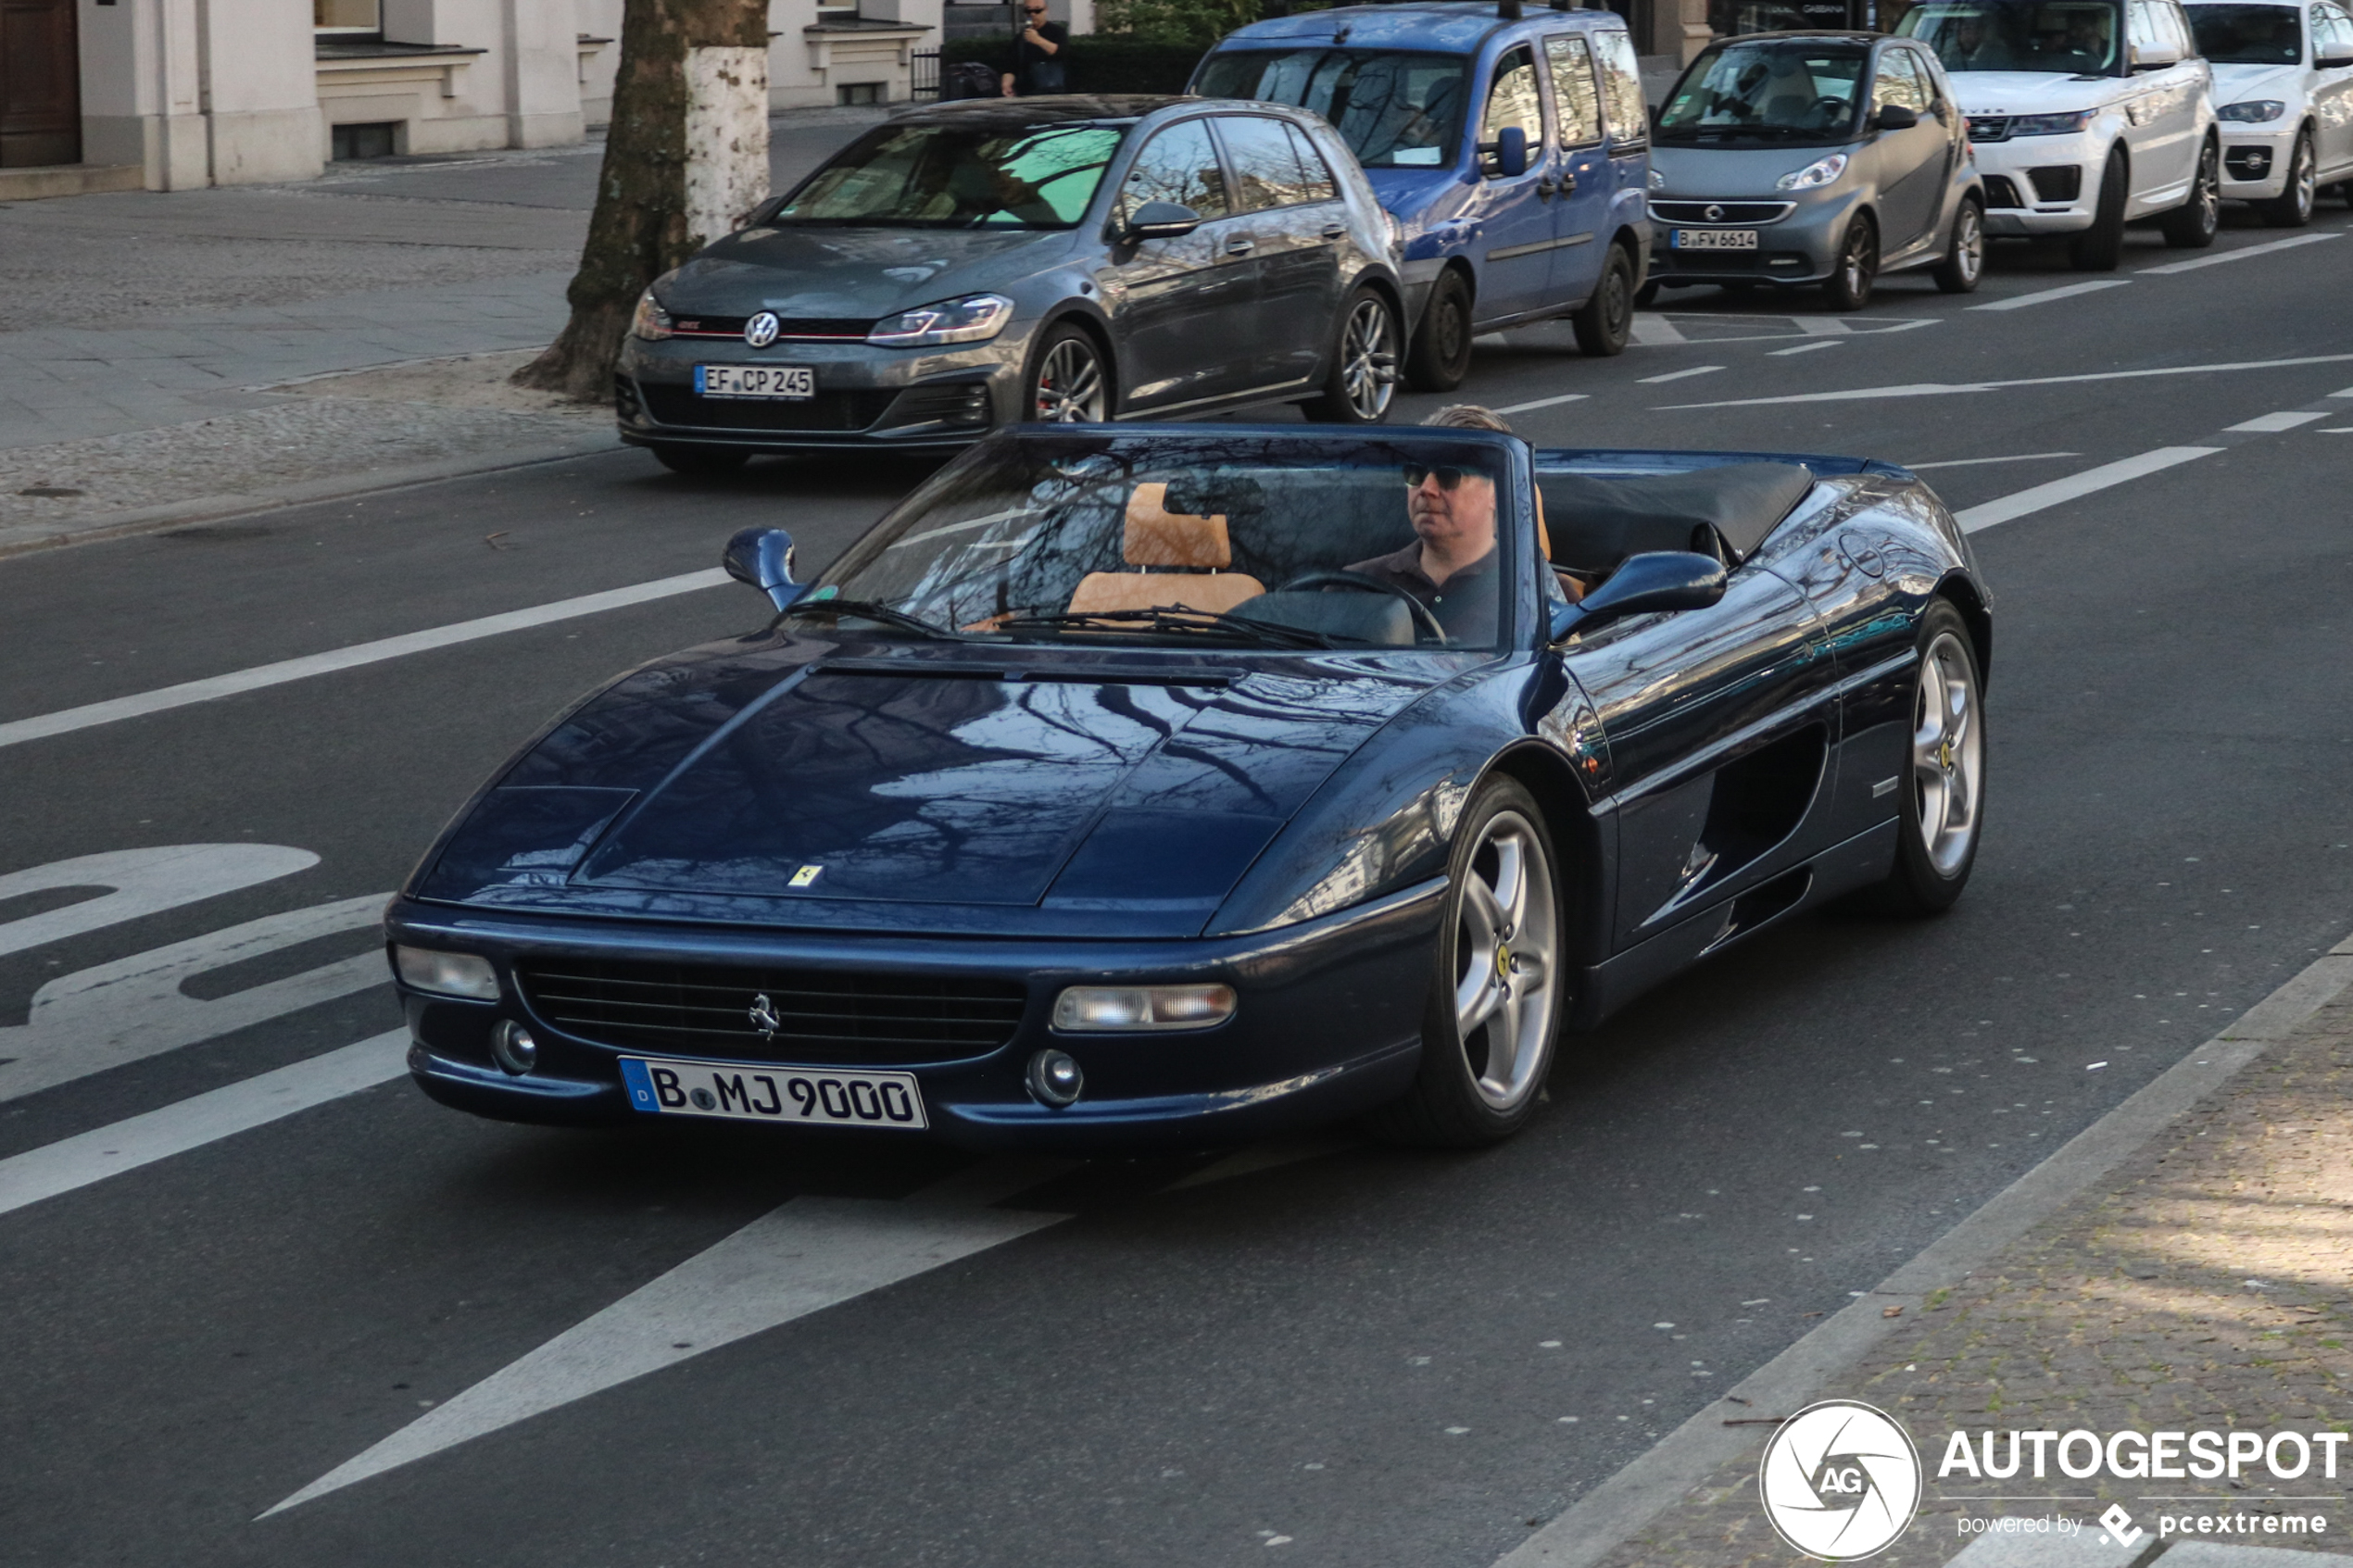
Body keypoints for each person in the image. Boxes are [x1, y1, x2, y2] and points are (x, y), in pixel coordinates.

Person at [1002, 3, 1067, 97]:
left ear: (1045, 10)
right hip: (1026, 91)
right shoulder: (1020, 38)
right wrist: (1006, 84)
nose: (1032, 14)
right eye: (1028, 11)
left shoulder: (1057, 32)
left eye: (1037, 11)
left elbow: (1060, 52)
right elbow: (1011, 66)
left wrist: (1038, 40)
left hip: (1052, 89)